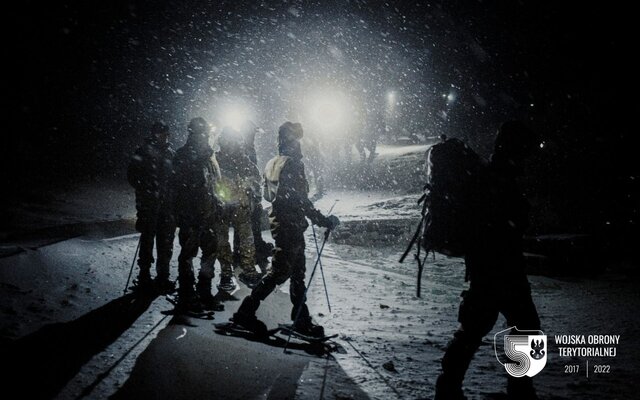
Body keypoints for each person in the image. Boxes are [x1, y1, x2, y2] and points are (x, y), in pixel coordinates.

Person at [434, 121, 541, 400]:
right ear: (515, 149)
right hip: (498, 268)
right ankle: (517, 390)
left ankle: (450, 386)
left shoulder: (490, 175)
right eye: (526, 150)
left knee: (478, 330)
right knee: (520, 328)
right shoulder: (496, 179)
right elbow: (500, 224)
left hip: (490, 268)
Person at [232, 122, 339, 336]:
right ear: (292, 140)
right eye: (297, 139)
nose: (300, 143)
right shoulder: (292, 165)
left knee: (297, 273)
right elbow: (300, 200)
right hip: (289, 227)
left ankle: (301, 318)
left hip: (284, 224)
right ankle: (245, 313)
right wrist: (322, 220)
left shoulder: (274, 162)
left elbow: (272, 196)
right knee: (279, 272)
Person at [171, 117, 222, 311]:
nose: (205, 137)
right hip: (190, 215)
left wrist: (219, 202)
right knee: (188, 254)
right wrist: (179, 211)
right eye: (202, 133)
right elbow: (176, 186)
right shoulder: (183, 155)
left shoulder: (210, 157)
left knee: (210, 252)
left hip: (208, 214)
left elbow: (216, 183)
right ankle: (186, 293)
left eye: (206, 133)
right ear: (193, 133)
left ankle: (204, 290)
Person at [126, 121, 176, 293]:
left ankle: (163, 276)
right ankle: (144, 276)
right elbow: (132, 176)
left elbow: (174, 179)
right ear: (154, 134)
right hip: (149, 205)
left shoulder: (170, 153)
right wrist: (148, 189)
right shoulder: (143, 152)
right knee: (147, 241)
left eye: (166, 133)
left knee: (165, 242)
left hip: (166, 207)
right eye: (162, 133)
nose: (165, 136)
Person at [215, 126, 263, 291]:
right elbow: (209, 181)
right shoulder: (217, 160)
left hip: (240, 205)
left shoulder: (244, 161)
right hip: (222, 205)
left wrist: (254, 195)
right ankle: (226, 273)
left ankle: (247, 269)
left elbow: (256, 181)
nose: (232, 144)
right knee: (222, 241)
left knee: (246, 240)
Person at [234, 122, 274, 274]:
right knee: (245, 226)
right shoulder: (243, 149)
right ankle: (243, 255)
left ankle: (249, 252)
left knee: (250, 226)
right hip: (245, 196)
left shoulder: (247, 148)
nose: (253, 136)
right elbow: (246, 172)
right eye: (252, 133)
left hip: (250, 196)